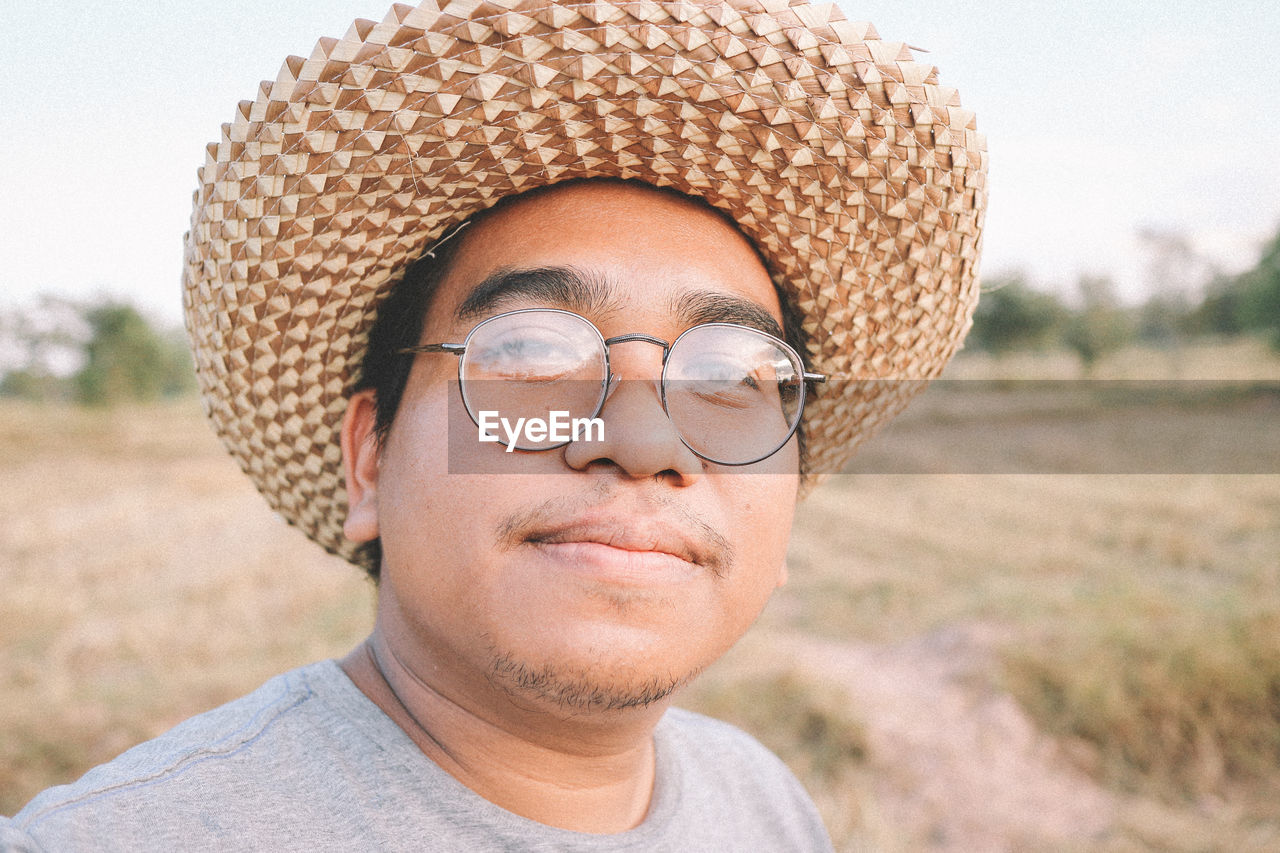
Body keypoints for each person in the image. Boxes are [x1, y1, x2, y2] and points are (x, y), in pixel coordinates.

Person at [2, 0, 985, 849]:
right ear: (368, 463)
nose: (643, 443)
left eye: (733, 375)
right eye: (528, 352)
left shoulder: (765, 803)